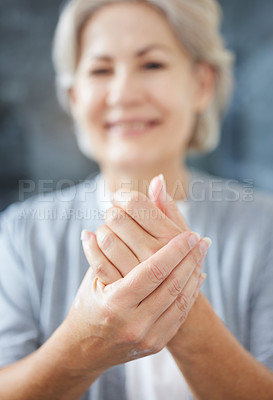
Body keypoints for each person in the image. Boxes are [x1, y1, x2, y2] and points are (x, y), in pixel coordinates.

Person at [0, 0, 273, 399]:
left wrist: (181, 308)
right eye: (100, 69)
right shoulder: (21, 234)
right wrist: (82, 345)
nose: (124, 93)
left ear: (202, 84)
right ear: (75, 97)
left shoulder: (265, 228)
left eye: (152, 65)